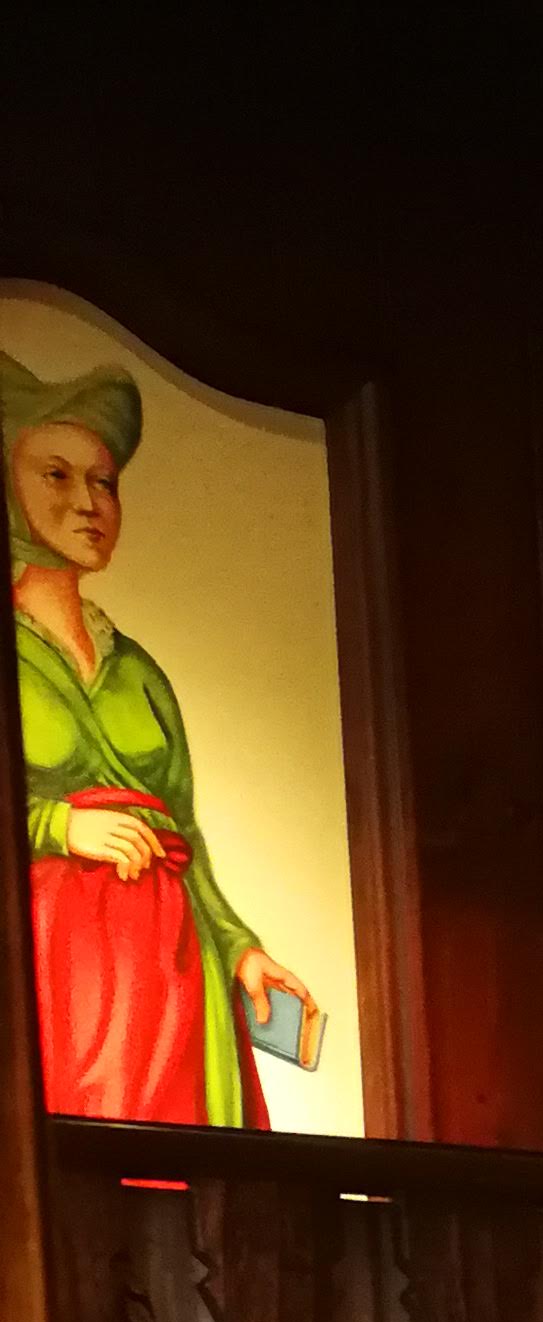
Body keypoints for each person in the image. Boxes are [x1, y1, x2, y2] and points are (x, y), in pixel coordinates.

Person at [8, 349, 312, 1124]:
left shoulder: (139, 669)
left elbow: (187, 831)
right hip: (56, 969)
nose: (89, 503)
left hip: (174, 966)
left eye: (104, 482)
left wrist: (239, 948)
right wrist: (58, 826)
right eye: (57, 475)